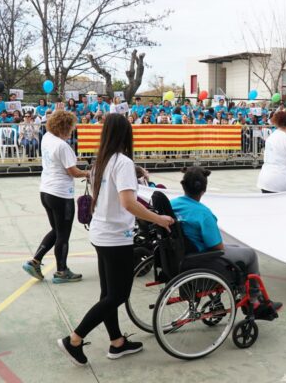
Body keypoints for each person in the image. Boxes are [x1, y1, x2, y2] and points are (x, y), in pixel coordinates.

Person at [57, 114, 174, 366]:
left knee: (108, 293)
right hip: (116, 237)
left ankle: (117, 342)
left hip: (101, 233)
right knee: (118, 294)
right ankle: (75, 339)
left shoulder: (101, 161)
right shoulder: (121, 162)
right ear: (126, 134)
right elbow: (128, 203)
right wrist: (158, 218)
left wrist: (136, 170)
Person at [171, 167, 281, 312]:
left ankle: (246, 293)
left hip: (181, 256)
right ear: (204, 189)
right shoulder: (203, 213)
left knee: (236, 248)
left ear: (183, 185)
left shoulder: (172, 204)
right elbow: (217, 247)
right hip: (202, 259)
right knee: (250, 255)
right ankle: (254, 301)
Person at [22, 110, 89, 283]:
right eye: (71, 127)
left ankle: (35, 260)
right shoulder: (62, 146)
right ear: (64, 127)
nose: (72, 131)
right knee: (63, 234)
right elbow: (73, 171)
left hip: (46, 190)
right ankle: (61, 271)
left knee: (57, 230)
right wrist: (88, 173)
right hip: (61, 193)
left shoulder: (47, 138)